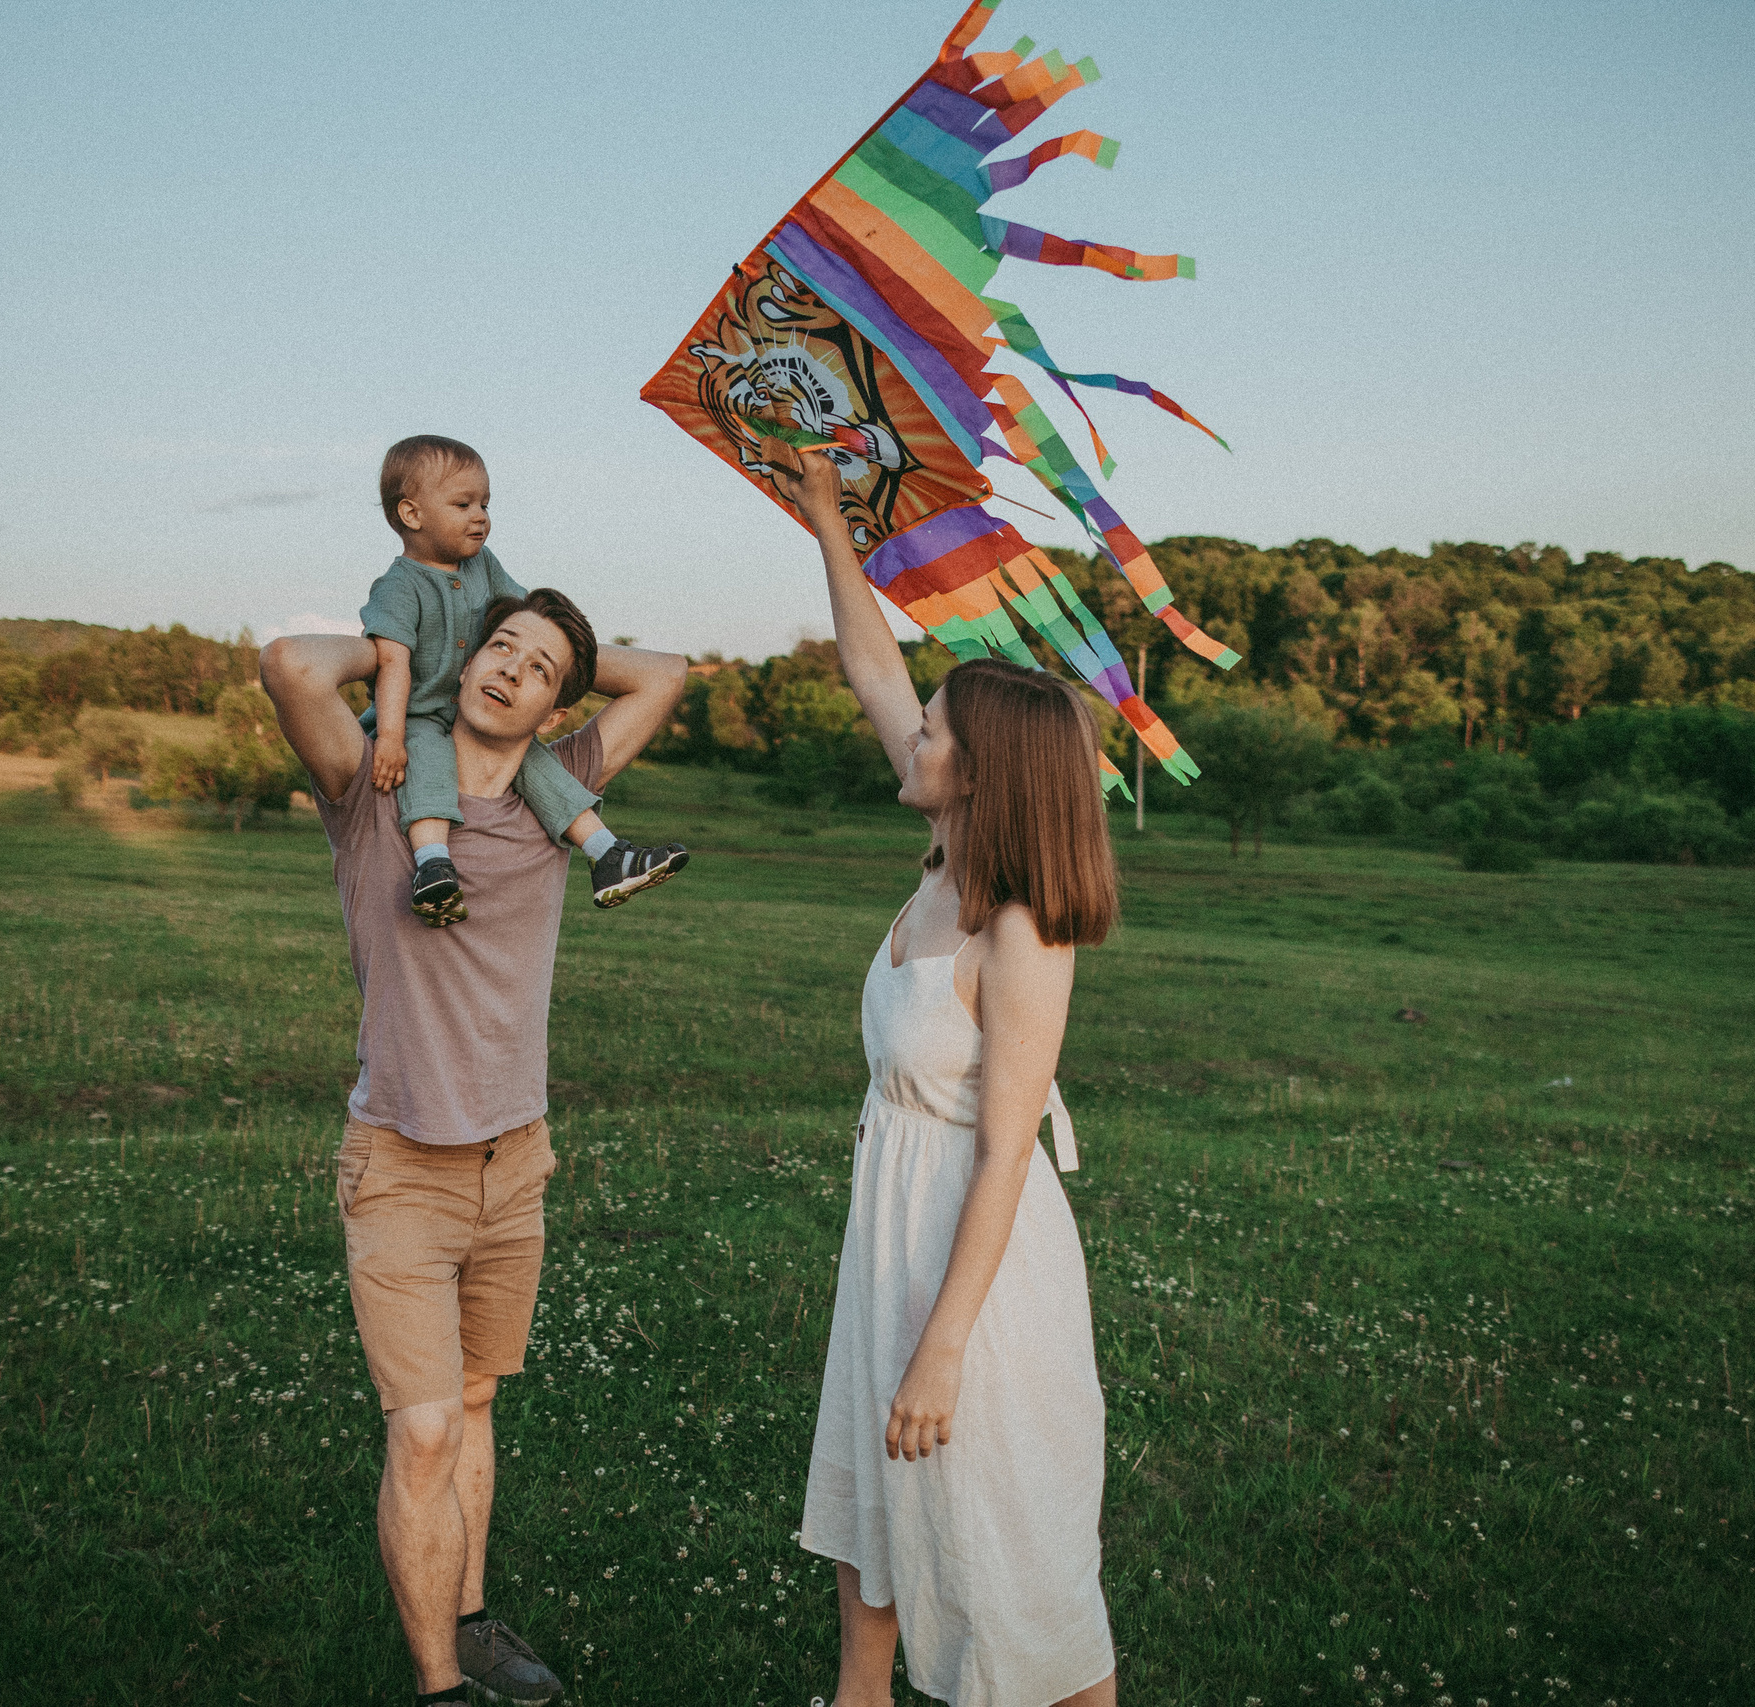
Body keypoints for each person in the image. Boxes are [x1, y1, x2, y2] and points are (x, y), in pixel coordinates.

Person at [260, 591, 688, 1707]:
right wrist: (422, 650)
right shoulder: (378, 784)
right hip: (399, 1160)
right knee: (427, 1427)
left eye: (539, 666)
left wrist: (568, 660)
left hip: (517, 1161)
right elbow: (294, 667)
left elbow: (668, 674)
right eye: (500, 646)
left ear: (558, 701)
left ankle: (473, 1617)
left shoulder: (565, 798)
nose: (509, 669)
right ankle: (441, 1688)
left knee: (479, 1407)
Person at [771, 441, 1121, 1707]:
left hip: (977, 1271)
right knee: (873, 1548)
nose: (907, 729)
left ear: (977, 769)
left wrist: (941, 1350)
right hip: (892, 1233)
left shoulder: (1021, 927)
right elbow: (872, 662)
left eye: (930, 727)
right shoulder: (938, 857)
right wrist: (824, 519)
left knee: (1012, 1574)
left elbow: (1005, 1150)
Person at [358, 434, 688, 925]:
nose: (481, 516)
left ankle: (606, 853)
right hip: (420, 714)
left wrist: (549, 663)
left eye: (486, 503)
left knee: (538, 764)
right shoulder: (399, 586)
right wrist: (389, 735)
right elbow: (392, 663)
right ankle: (432, 865)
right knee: (425, 758)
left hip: (474, 711)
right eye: (463, 503)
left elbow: (531, 616)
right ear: (412, 514)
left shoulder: (482, 566)